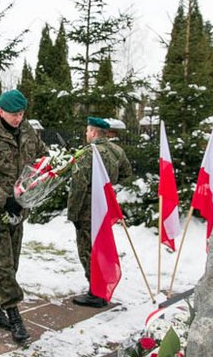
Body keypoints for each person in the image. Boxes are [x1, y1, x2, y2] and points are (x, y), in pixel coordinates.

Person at [0, 89, 48, 344]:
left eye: (22, 113)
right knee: (4, 266)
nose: (19, 118)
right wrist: (4, 199)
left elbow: (41, 156)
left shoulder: (27, 131)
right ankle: (15, 318)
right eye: (14, 114)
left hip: (19, 208)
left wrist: (47, 171)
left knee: (10, 264)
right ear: (1, 111)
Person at [67, 116, 132, 308]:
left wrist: (73, 214)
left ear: (93, 132)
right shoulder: (117, 151)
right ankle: (101, 287)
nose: (86, 134)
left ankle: (96, 292)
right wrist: (110, 188)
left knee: (87, 250)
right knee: (101, 248)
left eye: (87, 131)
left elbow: (78, 186)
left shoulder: (88, 153)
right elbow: (127, 174)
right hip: (104, 209)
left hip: (88, 209)